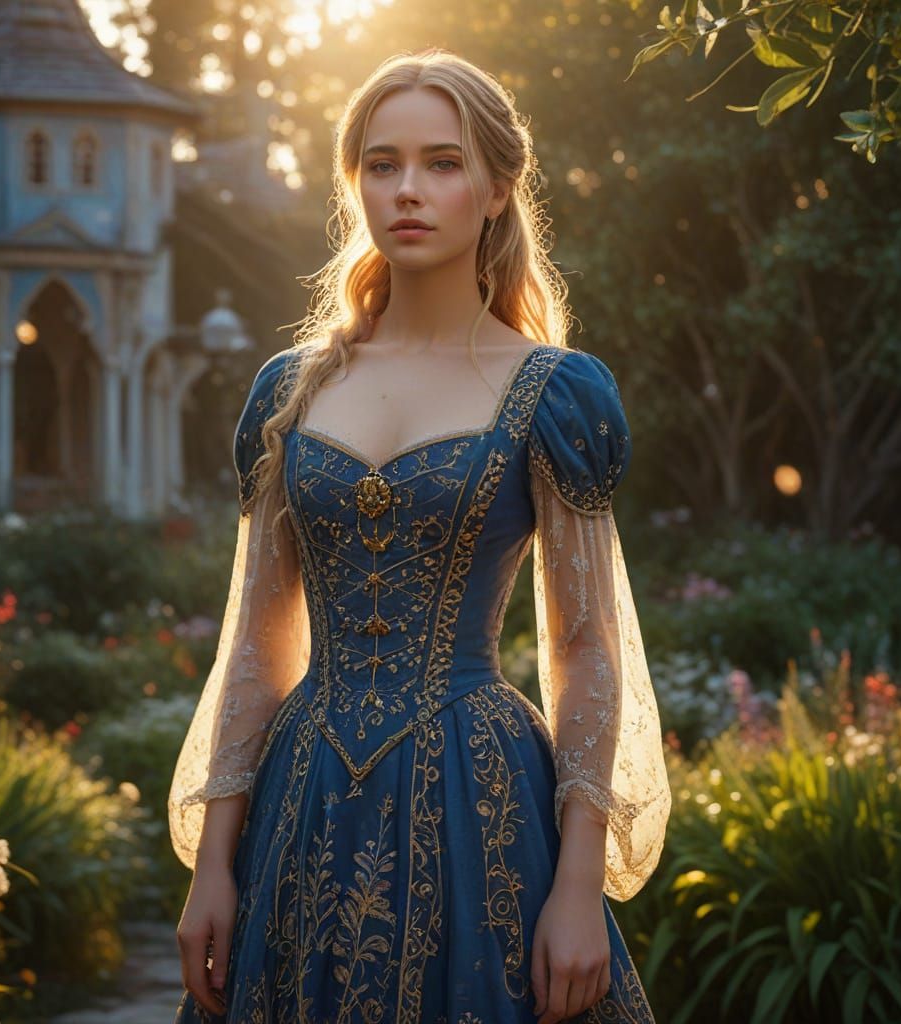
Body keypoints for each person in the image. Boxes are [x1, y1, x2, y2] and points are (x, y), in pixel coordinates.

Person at [168, 47, 671, 1024]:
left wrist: (576, 886)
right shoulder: (290, 390)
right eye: (381, 162)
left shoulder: (552, 392)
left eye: (442, 163)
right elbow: (256, 648)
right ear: (353, 181)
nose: (408, 189)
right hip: (304, 796)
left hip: (479, 803)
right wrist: (214, 867)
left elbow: (583, 649)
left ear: (495, 188)